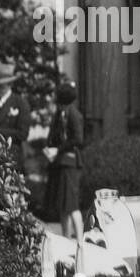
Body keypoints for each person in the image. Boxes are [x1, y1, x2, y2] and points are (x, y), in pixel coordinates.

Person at [44, 77, 84, 237]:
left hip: (70, 163)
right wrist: (49, 148)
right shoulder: (60, 113)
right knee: (63, 205)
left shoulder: (73, 114)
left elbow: (78, 140)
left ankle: (79, 240)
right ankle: (66, 238)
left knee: (72, 205)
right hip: (60, 163)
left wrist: (58, 149)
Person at [0, 62, 31, 170]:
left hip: (11, 156)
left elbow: (23, 134)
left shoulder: (20, 103)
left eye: (1, 87)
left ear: (10, 85)